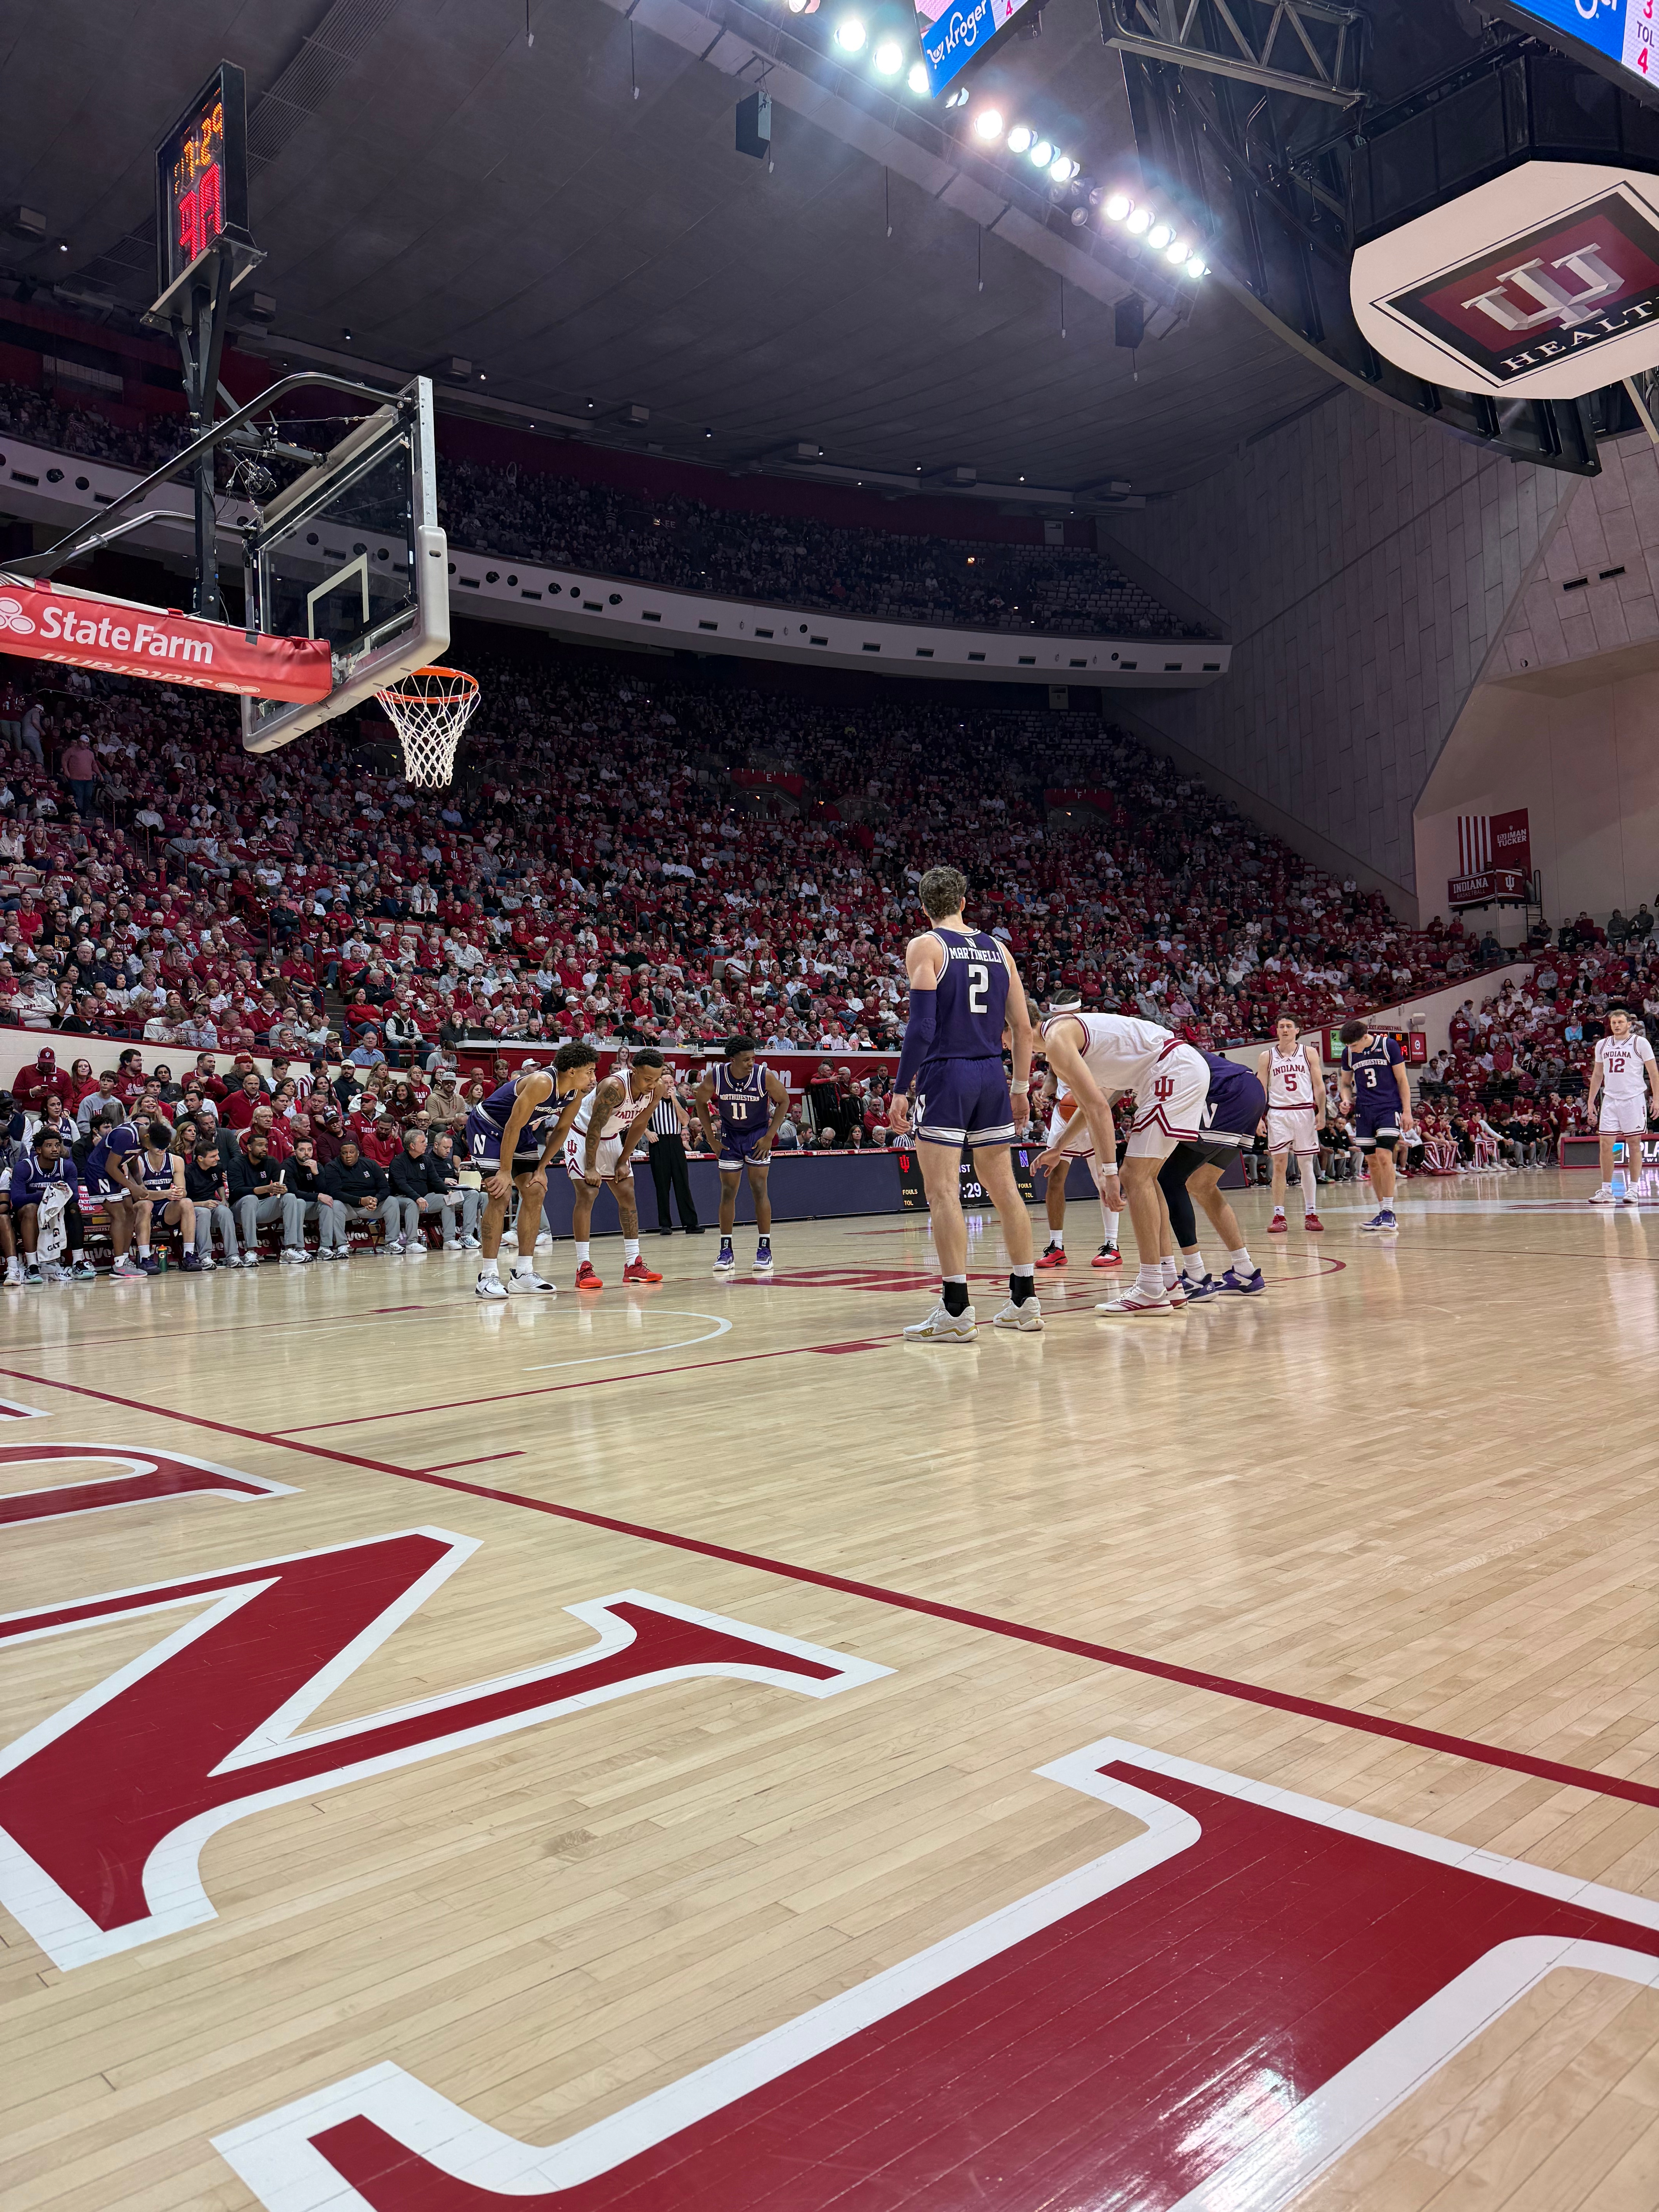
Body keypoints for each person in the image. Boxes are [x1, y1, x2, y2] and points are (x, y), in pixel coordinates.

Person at [886, 865, 1039, 1339]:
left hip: (946, 1074)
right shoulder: (1000, 950)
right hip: (991, 1073)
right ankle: (1025, 1300)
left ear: (923, 907)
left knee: (943, 1192)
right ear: (965, 901)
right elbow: (1023, 1030)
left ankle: (956, 1310)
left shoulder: (925, 946)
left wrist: (900, 1087)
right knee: (1005, 1189)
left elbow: (923, 1028)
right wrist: (1019, 1088)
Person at [1032, 996, 1216, 1317]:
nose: (1005, 1047)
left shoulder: (1057, 1038)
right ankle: (1168, 1281)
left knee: (1133, 1176)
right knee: (1148, 1179)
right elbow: (1096, 1102)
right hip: (1177, 1068)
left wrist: (1109, 1173)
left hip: (1171, 1070)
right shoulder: (1067, 1039)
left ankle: (1150, 1288)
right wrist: (1059, 1147)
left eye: (1003, 1038)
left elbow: (1099, 1110)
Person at [467, 1041, 600, 1298]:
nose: (594, 1077)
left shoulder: (575, 1093)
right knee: (501, 1194)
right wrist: (505, 1172)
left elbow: (561, 1130)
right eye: (590, 1071)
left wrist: (541, 1168)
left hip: (520, 1131)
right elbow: (511, 1127)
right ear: (572, 1070)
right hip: (490, 1126)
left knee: (536, 1190)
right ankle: (488, 1275)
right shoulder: (542, 1082)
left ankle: (524, 1273)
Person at [1154, 1053, 1269, 1300]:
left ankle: (1195, 1278)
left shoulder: (1156, 1056)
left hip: (1228, 1094)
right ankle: (1245, 1272)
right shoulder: (1175, 1050)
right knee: (1202, 1185)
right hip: (1251, 1092)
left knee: (1167, 1179)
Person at [563, 1048, 675, 1290]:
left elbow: (640, 1123)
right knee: (588, 1193)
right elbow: (594, 1126)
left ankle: (633, 1263)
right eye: (647, 1079)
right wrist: (591, 1167)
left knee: (627, 1192)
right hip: (583, 1135)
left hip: (612, 1137)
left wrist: (624, 1159)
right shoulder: (614, 1087)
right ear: (633, 1071)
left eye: (656, 1079)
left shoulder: (656, 1089)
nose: (652, 1084)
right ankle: (583, 1266)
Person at [693, 1036, 790, 1278]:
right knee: (728, 1192)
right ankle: (726, 1251)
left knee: (759, 1188)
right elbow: (700, 1103)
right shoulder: (716, 1076)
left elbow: (784, 1100)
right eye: (746, 1059)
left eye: (753, 1059)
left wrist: (770, 1136)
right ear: (733, 1059)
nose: (751, 1063)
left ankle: (765, 1250)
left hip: (756, 1135)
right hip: (729, 1136)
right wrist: (711, 1138)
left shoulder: (763, 1076)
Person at [1031, 1062, 1121, 1273]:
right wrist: (1044, 1092)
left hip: (1094, 1113)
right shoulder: (1054, 1038)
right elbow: (1054, 1074)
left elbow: (1119, 1087)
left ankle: (1112, 1245)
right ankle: (1057, 1247)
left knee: (1104, 1180)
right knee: (1054, 1179)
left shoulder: (1097, 1040)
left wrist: (1098, 1104)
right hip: (1063, 1114)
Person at [1336, 1019, 1414, 1231]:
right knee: (1372, 1161)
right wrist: (1346, 1099)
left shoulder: (1388, 1046)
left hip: (1389, 1107)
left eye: (1353, 1045)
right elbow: (1345, 1083)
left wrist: (1407, 1111)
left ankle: (1390, 1212)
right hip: (1364, 1109)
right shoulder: (1349, 1053)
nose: (1350, 1049)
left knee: (1384, 1155)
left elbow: (1402, 1080)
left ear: (1365, 1037)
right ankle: (1382, 1212)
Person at [1584, 1003, 1659, 1205]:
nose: (1617, 1025)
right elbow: (1598, 1074)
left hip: (1634, 1098)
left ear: (1629, 1024)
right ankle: (1607, 1190)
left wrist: (1657, 1099)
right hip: (1610, 1099)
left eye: (1621, 1022)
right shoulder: (1603, 1045)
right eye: (1614, 1022)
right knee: (1605, 1144)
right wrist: (1591, 1102)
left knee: (1634, 1144)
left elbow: (1653, 1073)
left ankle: (1633, 1189)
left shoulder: (1640, 1043)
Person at [1258, 1015, 1326, 1236]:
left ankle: (1311, 1213)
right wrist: (1258, 1117)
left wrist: (1322, 1112)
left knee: (1306, 1164)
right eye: (1281, 1027)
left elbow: (1319, 1085)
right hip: (1278, 1114)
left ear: (1298, 1030)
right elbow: (1261, 1090)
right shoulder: (1267, 1056)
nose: (1285, 1030)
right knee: (1279, 1165)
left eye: (1289, 1027)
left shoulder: (1309, 1052)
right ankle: (1279, 1216)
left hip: (1304, 1111)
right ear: (1276, 1031)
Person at [7, 1127, 94, 1285]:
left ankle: (78, 1263)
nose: (55, 1149)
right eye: (49, 1146)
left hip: (57, 1216)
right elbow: (18, 1199)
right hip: (28, 1219)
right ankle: (32, 1267)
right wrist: (48, 1194)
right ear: (39, 1150)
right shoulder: (25, 1167)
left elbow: (75, 1195)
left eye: (58, 1145)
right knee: (31, 1208)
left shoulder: (67, 1167)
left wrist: (55, 1198)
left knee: (74, 1208)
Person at [84, 1104, 146, 1278]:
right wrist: (132, 1187)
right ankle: (119, 1264)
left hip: (114, 1171)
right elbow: (110, 1167)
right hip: (99, 1172)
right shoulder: (125, 1135)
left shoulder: (145, 1138)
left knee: (130, 1211)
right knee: (119, 1214)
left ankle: (125, 1259)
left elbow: (133, 1160)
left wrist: (140, 1184)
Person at [131, 1120, 198, 1273]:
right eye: (158, 1145)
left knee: (187, 1202)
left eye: (165, 1145)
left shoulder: (176, 1161)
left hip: (165, 1208)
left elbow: (184, 1191)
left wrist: (178, 1193)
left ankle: (189, 1254)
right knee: (146, 1205)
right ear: (148, 1143)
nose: (162, 1149)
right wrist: (165, 1193)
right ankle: (145, 1258)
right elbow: (137, 1196)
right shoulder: (138, 1162)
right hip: (141, 1208)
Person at [644, 1066, 701, 1237]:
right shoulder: (651, 1100)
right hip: (659, 1143)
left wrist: (675, 1100)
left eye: (671, 1083)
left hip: (676, 1142)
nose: (669, 1085)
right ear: (659, 1083)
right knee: (662, 1186)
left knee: (682, 1184)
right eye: (666, 1082)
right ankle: (665, 1225)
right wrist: (647, 1132)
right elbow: (638, 1118)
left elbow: (685, 1122)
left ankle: (691, 1224)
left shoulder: (680, 1100)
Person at [319, 1136, 392, 1253]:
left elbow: (385, 1188)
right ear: (340, 1154)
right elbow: (335, 1193)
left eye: (351, 1153)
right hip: (347, 1208)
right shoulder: (332, 1167)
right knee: (335, 1204)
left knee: (392, 1201)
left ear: (358, 1153)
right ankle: (341, 1245)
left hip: (371, 1207)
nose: (348, 1156)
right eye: (344, 1153)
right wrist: (360, 1200)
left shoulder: (371, 1165)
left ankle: (392, 1243)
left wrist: (376, 1200)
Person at [282, 1135, 341, 1262]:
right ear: (295, 1151)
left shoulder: (317, 1166)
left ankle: (325, 1247)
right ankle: (299, 1248)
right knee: (300, 1202)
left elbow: (325, 1192)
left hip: (310, 1207)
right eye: (302, 1150)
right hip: (293, 1207)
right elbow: (292, 1192)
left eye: (310, 1150)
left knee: (328, 1205)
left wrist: (316, 1174)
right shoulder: (288, 1165)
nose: (307, 1153)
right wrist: (317, 1196)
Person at [185, 1138, 241, 1269]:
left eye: (217, 1155)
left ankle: (233, 1255)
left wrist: (223, 1199)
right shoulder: (188, 1172)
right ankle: (205, 1257)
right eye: (213, 1156)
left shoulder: (217, 1168)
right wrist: (203, 1204)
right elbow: (183, 1202)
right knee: (204, 1213)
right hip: (195, 1207)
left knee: (226, 1212)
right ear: (200, 1158)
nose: (218, 1158)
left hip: (212, 1203)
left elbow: (219, 1184)